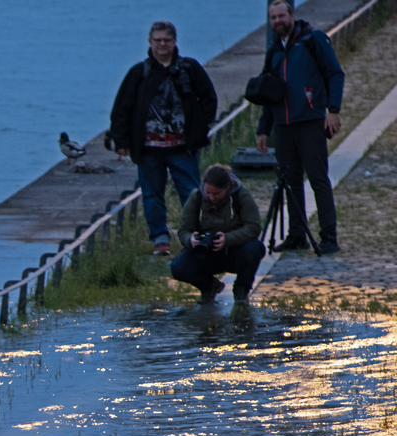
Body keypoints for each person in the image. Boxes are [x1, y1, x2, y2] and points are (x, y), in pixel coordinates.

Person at [110, 21, 218, 258]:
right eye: (157, 40)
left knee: (191, 193)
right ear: (149, 43)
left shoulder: (190, 68)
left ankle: (196, 235)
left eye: (166, 40)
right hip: (148, 149)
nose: (162, 44)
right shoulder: (139, 73)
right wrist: (121, 141)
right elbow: (122, 109)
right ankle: (160, 239)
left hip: (183, 148)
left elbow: (209, 98)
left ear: (174, 42)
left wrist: (200, 129)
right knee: (151, 194)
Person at [254, 0, 345, 254]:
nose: (277, 21)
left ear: (291, 15)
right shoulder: (274, 50)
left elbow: (335, 74)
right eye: (273, 18)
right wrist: (264, 129)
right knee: (289, 181)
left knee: (318, 179)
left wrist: (333, 111)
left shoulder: (312, 39)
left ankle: (329, 237)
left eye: (281, 16)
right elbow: (269, 91)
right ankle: (296, 235)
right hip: (283, 126)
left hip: (310, 121)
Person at [171, 165, 266, 306]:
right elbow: (184, 230)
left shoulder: (241, 196)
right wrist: (190, 239)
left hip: (235, 251)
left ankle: (241, 291)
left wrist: (227, 239)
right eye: (208, 192)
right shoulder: (196, 197)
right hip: (205, 253)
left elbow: (254, 228)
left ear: (228, 186)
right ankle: (209, 287)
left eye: (217, 194)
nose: (211, 197)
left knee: (254, 248)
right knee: (178, 267)